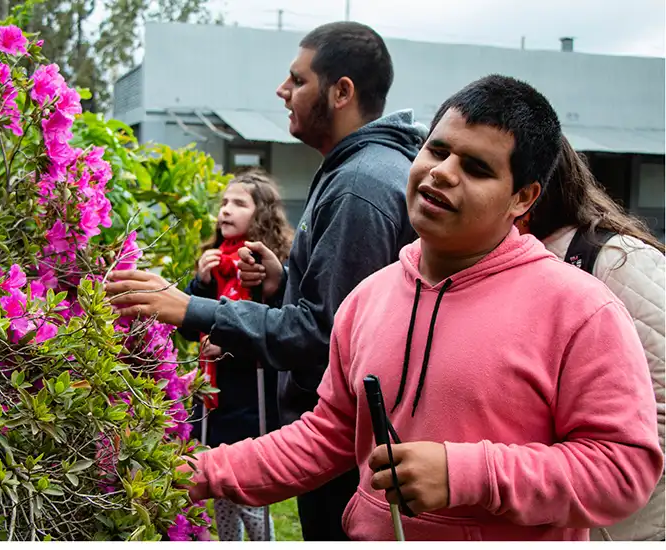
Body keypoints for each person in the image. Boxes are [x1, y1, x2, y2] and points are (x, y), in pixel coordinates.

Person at [175, 75, 663, 541]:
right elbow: (328, 435)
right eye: (437, 149)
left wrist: (466, 473)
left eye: (476, 168)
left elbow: (624, 468)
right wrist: (201, 472)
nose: (442, 173)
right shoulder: (367, 298)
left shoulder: (579, 309)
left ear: (522, 197)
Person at [105, 21, 426, 540]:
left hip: (345, 459)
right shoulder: (365, 170)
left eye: (297, 81)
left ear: (341, 91)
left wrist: (190, 309)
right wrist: (283, 283)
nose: (283, 92)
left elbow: (326, 335)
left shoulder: (359, 187)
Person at [517, 137, 665, 541]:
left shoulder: (617, 259)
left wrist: (595, 477)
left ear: (531, 192)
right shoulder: (510, 267)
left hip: (624, 524)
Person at [180, 169, 292, 541]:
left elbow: (274, 330)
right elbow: (184, 326)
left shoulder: (262, 266)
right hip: (214, 402)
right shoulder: (213, 262)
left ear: (260, 214)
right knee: (219, 492)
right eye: (224, 203)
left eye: (239, 204)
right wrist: (200, 285)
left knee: (246, 491)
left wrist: (228, 346)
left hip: (249, 401)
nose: (225, 210)